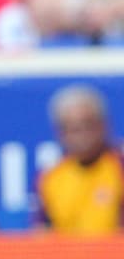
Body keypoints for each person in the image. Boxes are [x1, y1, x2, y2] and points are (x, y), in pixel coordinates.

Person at [37, 83, 124, 234]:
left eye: (88, 125)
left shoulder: (119, 167)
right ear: (60, 133)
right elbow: (41, 231)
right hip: (66, 255)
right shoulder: (51, 177)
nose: (83, 137)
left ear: (104, 125)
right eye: (74, 129)